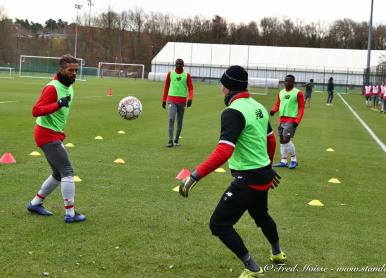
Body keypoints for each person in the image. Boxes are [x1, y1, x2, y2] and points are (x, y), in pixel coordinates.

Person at [179, 65, 285, 277]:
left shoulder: (232, 111)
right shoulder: (258, 107)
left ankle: (252, 268)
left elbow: (224, 150)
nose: (221, 89)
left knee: (218, 224)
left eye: (222, 85)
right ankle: (277, 252)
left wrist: (195, 176)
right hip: (262, 174)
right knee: (261, 215)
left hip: (247, 178)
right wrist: (268, 167)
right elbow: (270, 141)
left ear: (228, 87)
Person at [27, 54, 86, 223]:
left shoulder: (69, 86)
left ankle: (35, 203)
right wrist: (57, 104)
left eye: (76, 70)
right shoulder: (52, 88)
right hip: (46, 133)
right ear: (61, 70)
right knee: (67, 171)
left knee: (58, 174)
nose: (74, 73)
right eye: (71, 70)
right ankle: (70, 214)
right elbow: (35, 111)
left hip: (54, 132)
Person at [270, 75, 305, 169]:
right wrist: (273, 110)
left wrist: (297, 120)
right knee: (281, 140)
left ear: (293, 83)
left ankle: (294, 160)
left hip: (291, 119)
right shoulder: (281, 92)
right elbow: (278, 104)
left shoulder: (298, 93)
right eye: (286, 81)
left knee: (286, 139)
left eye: (289, 81)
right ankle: (284, 161)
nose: (287, 82)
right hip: (281, 119)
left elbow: (302, 107)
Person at [162, 58, 194, 147]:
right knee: (171, 119)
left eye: (180, 64)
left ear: (183, 65)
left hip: (182, 101)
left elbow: (191, 88)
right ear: (175, 65)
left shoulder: (187, 75)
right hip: (172, 100)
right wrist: (164, 100)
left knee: (179, 121)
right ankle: (170, 140)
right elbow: (166, 87)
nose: (179, 65)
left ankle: (176, 140)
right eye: (177, 64)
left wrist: (190, 98)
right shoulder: (170, 74)